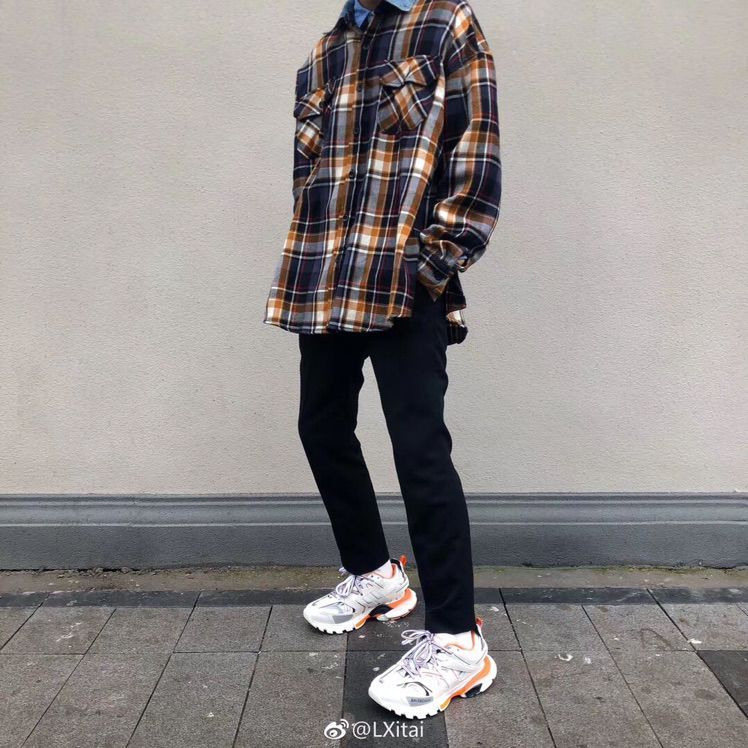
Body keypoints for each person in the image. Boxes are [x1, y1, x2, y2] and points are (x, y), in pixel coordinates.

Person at [263, 0, 501, 720]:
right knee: (320, 427)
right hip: (326, 275)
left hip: (404, 280)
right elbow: (309, 176)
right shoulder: (323, 52)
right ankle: (377, 575)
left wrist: (434, 264)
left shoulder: (446, 24)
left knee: (419, 449)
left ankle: (457, 639)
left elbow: (476, 155)